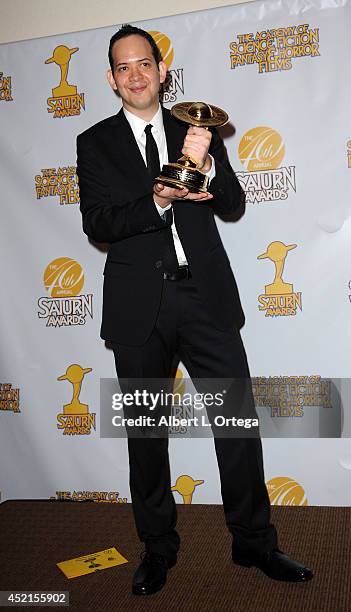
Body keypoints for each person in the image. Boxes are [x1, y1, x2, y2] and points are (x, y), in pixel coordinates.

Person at [76, 24, 313, 596]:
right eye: (123, 67)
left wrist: (206, 173)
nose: (135, 75)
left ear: (162, 71)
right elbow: (99, 223)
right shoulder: (95, 143)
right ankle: (157, 550)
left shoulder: (195, 127)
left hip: (204, 297)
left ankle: (254, 544)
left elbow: (232, 204)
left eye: (144, 64)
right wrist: (157, 199)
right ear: (112, 79)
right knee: (146, 435)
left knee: (236, 424)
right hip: (139, 309)